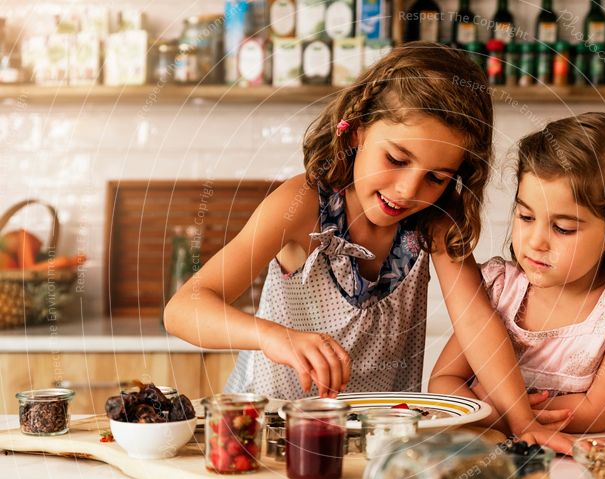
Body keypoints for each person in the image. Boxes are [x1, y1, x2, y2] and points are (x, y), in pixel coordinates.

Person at [164, 42, 573, 453]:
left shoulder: (433, 222)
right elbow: (183, 310)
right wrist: (276, 337)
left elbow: (478, 325)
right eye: (396, 159)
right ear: (357, 128)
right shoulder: (302, 206)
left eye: (436, 177)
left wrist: (523, 421)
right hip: (273, 430)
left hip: (379, 442)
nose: (408, 190)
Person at [429, 112, 605, 434]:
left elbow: (594, 413)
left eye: (563, 228)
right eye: (526, 217)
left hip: (602, 451)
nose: (536, 242)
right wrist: (515, 419)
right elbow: (443, 383)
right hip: (510, 448)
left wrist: (495, 408)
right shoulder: (502, 290)